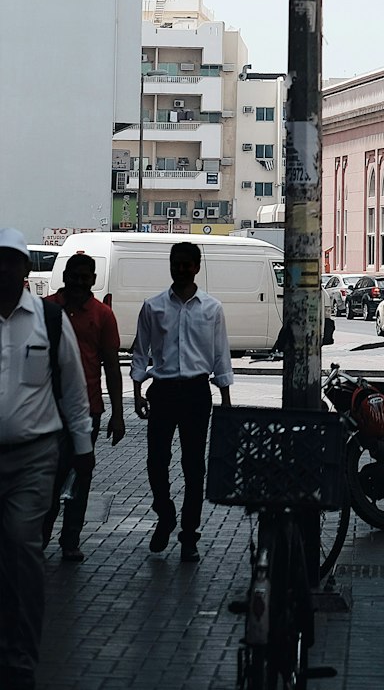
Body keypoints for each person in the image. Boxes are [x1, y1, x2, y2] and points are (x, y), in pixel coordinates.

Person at [0, 228, 93, 690]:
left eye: (11, 261)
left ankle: (20, 655)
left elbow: (74, 391)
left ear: (24, 269)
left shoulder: (49, 321)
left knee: (22, 547)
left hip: (34, 457)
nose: (4, 270)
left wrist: (83, 447)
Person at [131, 241, 233, 564]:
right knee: (156, 462)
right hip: (162, 392)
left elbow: (221, 357)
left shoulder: (212, 309)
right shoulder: (153, 306)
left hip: (196, 394)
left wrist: (226, 401)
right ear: (171, 265)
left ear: (197, 267)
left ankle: (189, 535)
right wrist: (136, 392)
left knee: (193, 467)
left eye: (187, 263)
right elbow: (139, 351)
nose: (181, 268)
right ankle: (166, 513)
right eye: (176, 262)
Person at [42, 252, 125, 560]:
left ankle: (70, 540)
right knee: (46, 477)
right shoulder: (46, 310)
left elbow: (112, 367)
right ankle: (39, 538)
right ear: (65, 277)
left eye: (84, 277)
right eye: (73, 276)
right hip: (45, 409)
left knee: (81, 475)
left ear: (92, 279)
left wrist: (117, 414)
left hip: (88, 409)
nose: (78, 282)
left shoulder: (102, 315)